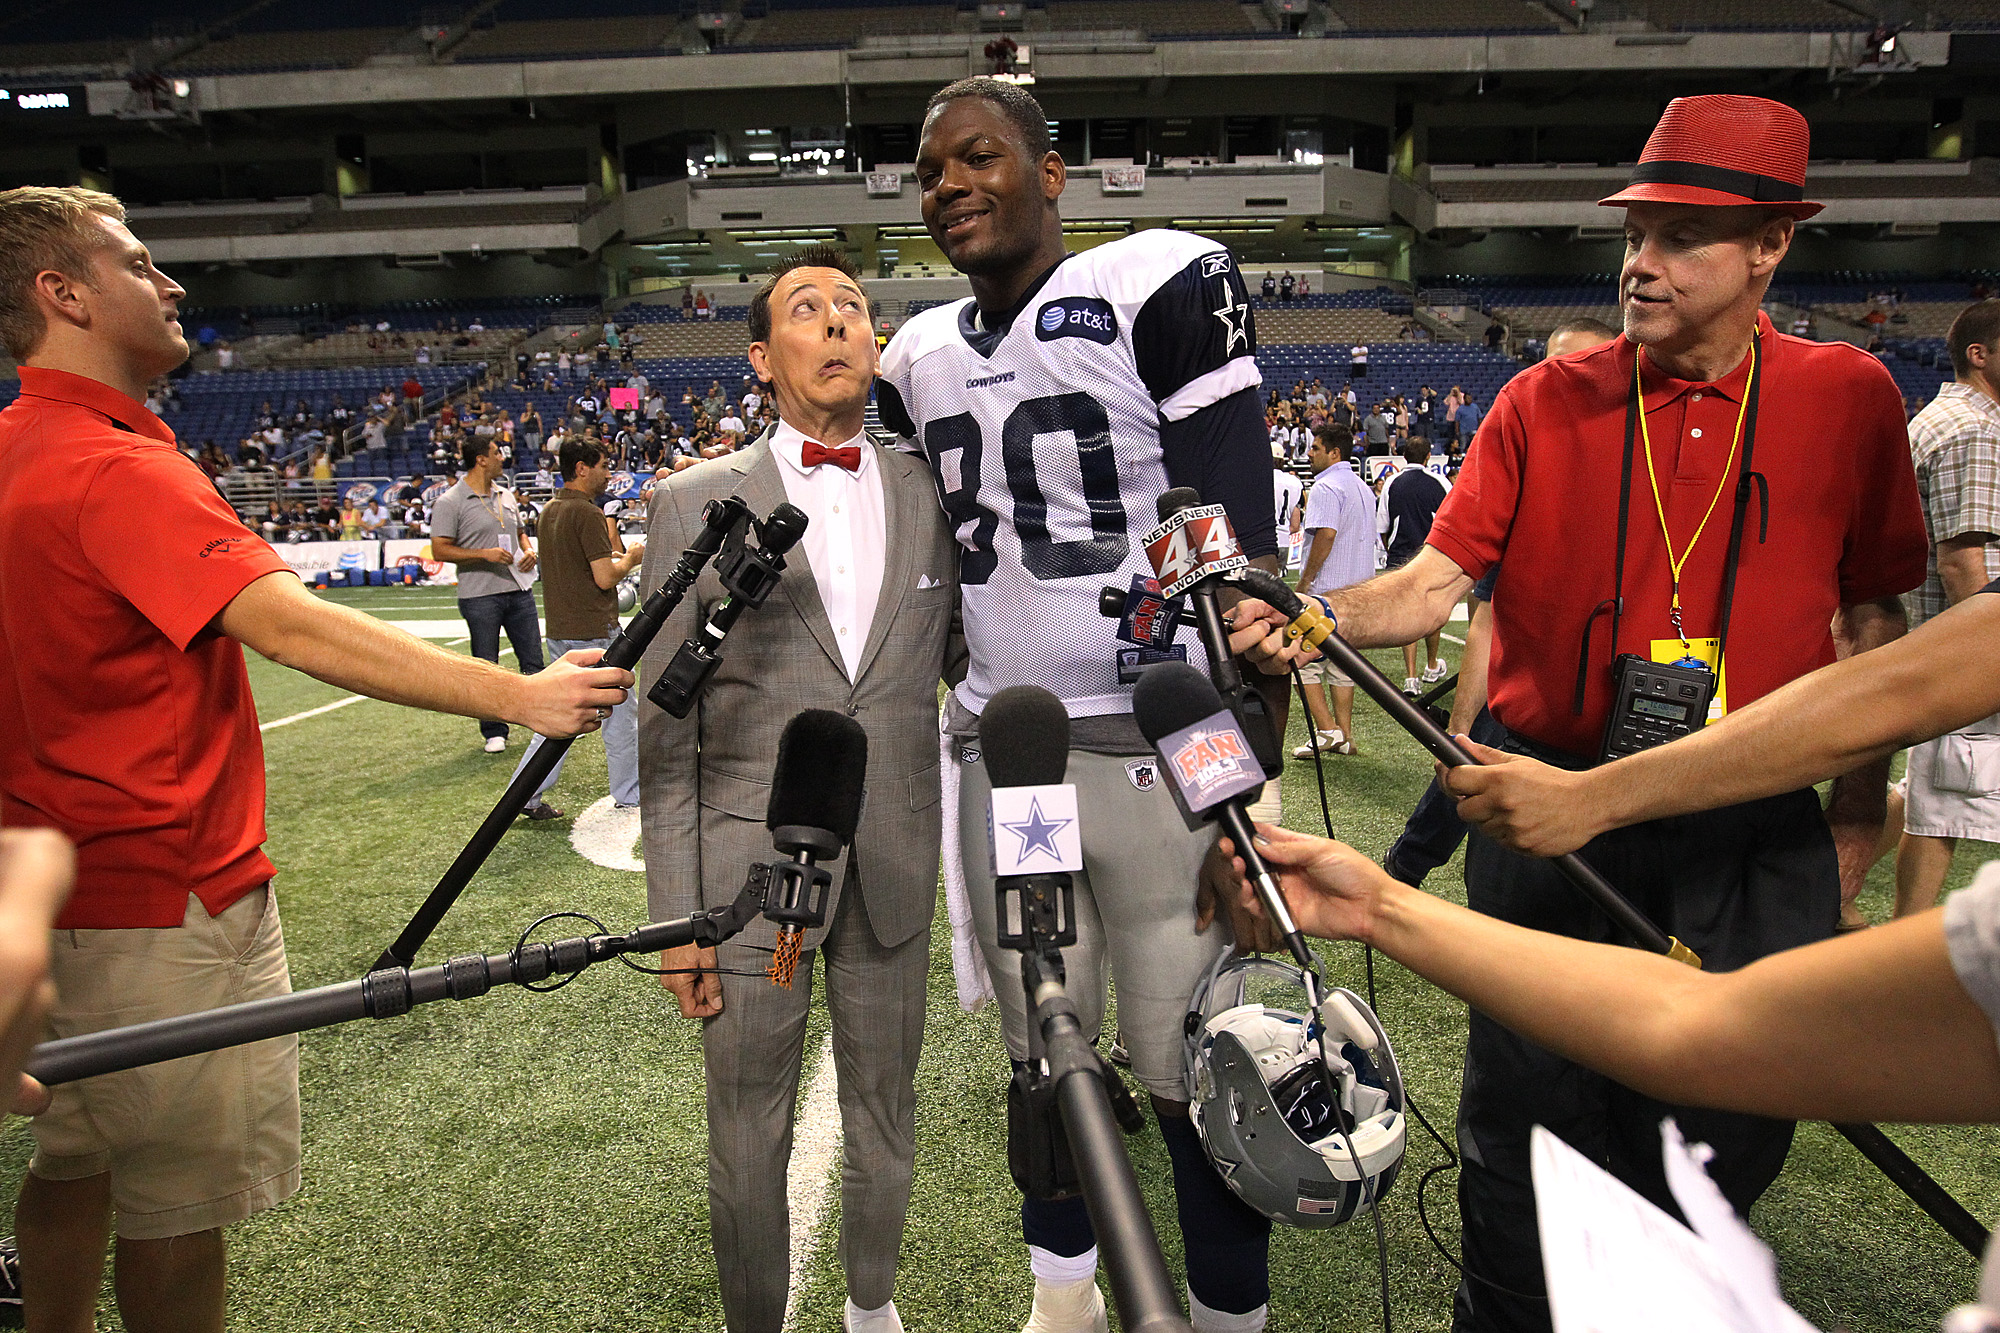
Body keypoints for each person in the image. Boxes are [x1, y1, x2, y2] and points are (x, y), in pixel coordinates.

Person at [1226, 96, 1927, 1333]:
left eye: (1679, 238)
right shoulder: (1542, 401)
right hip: (1548, 813)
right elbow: (1430, 585)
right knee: (1524, 1143)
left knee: (1722, 1143)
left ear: (1770, 247)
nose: (1638, 264)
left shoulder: (1850, 397)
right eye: (1634, 232)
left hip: (1746, 825)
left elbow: (1874, 625)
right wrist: (1317, 614)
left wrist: (1855, 808)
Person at [0, 185, 628, 1333]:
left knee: (73, 1156)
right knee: (176, 1209)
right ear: (64, 292)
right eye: (140, 263)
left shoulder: (14, 447)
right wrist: (519, 695)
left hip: (56, 891)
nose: (173, 282)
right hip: (165, 896)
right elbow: (288, 623)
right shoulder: (113, 464)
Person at [878, 77, 1281, 1333]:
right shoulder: (913, 359)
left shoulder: (1152, 287)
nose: (951, 185)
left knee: (1192, 1063)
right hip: (1017, 760)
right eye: (931, 170)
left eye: (980, 158)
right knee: (1040, 1052)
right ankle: (1063, 1297)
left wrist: (1242, 797)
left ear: (1050, 174)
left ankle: (1225, 1312)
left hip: (1161, 746)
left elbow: (1237, 575)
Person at [641, 249, 957, 1333]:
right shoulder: (695, 503)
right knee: (747, 1123)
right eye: (806, 310)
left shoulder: (931, 488)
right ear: (761, 357)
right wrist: (674, 916)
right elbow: (662, 731)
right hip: (744, 881)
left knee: (887, 1108)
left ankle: (872, 1305)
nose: (836, 324)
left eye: (854, 309)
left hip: (896, 865)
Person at [1382, 319, 1619, 889]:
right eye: (1551, 367)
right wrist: (1458, 730)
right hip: (1525, 706)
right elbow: (1477, 612)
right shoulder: (1526, 475)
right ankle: (1405, 868)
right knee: (1477, 785)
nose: (1562, 382)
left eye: (1582, 366)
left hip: (1618, 716)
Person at [1894, 299, 2000, 920]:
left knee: (1930, 793)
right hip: (1961, 640)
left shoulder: (1948, 418)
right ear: (1979, 355)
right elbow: (1964, 562)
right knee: (1943, 803)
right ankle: (1903, 942)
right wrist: (1985, 653)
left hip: (1939, 638)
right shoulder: (1977, 428)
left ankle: (1839, 889)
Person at [503, 439, 648, 821]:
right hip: (594, 629)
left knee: (557, 717)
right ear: (582, 468)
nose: (608, 473)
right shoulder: (586, 513)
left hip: (560, 628)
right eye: (603, 465)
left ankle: (523, 794)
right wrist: (631, 559)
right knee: (619, 716)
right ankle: (630, 794)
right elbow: (604, 578)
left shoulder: (549, 510)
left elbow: (574, 565)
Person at [430, 438, 547, 754]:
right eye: (497, 453)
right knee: (487, 664)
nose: (502, 458)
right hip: (480, 594)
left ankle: (547, 720)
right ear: (481, 460)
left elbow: (520, 529)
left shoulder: (505, 493)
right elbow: (439, 548)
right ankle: (494, 731)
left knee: (534, 660)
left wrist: (528, 549)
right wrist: (484, 554)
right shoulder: (451, 501)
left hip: (518, 589)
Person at [1292, 425, 1373, 760]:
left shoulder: (1326, 486)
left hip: (1327, 592)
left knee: (1299, 659)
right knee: (1343, 666)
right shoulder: (1363, 488)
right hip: (1360, 591)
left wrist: (1304, 583)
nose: (1310, 453)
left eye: (1316, 448)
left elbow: (1325, 534)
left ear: (1334, 452)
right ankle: (1346, 737)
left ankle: (1327, 731)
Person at [1377, 434, 1450, 694]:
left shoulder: (1391, 484)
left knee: (1407, 617)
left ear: (1403, 456)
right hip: (1431, 556)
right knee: (1434, 610)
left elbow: (1382, 526)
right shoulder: (1440, 482)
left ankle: (1411, 678)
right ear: (1428, 457)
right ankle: (1431, 665)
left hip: (1400, 556)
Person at [1272, 443, 1303, 571]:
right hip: (1284, 542)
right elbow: (1295, 525)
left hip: (1263, 544)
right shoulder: (1294, 482)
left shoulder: (1257, 478)